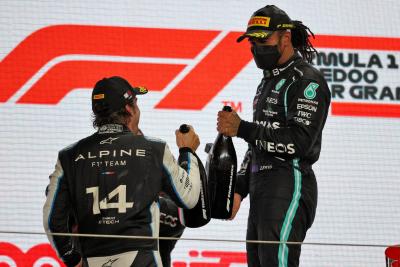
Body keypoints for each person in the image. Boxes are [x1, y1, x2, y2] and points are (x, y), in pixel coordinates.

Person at [43, 76, 202, 267]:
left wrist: (72, 259)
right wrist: (187, 152)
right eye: (136, 103)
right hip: (142, 260)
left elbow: (53, 221)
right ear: (129, 109)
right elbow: (190, 197)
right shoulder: (154, 149)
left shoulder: (68, 156)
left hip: (92, 260)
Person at [217, 5, 331, 267]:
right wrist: (240, 188)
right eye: (252, 41)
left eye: (263, 39)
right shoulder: (266, 82)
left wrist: (242, 128)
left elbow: (300, 141)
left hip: (288, 183)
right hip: (262, 187)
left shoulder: (306, 81)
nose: (256, 47)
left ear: (285, 37)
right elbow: (258, 142)